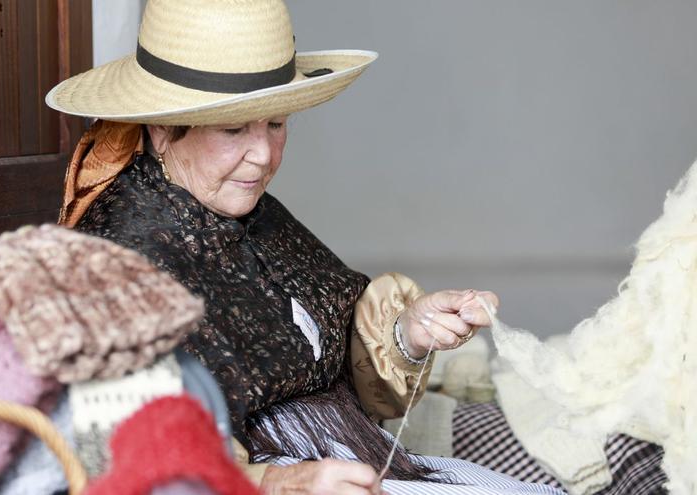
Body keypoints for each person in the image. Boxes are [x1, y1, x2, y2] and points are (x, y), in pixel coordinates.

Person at [47, 1, 565, 494]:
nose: (264, 155)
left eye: (276, 123)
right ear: (162, 130)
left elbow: (321, 345)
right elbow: (122, 449)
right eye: (233, 128)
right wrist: (269, 484)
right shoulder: (120, 256)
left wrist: (409, 332)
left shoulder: (251, 215)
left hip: (342, 457)